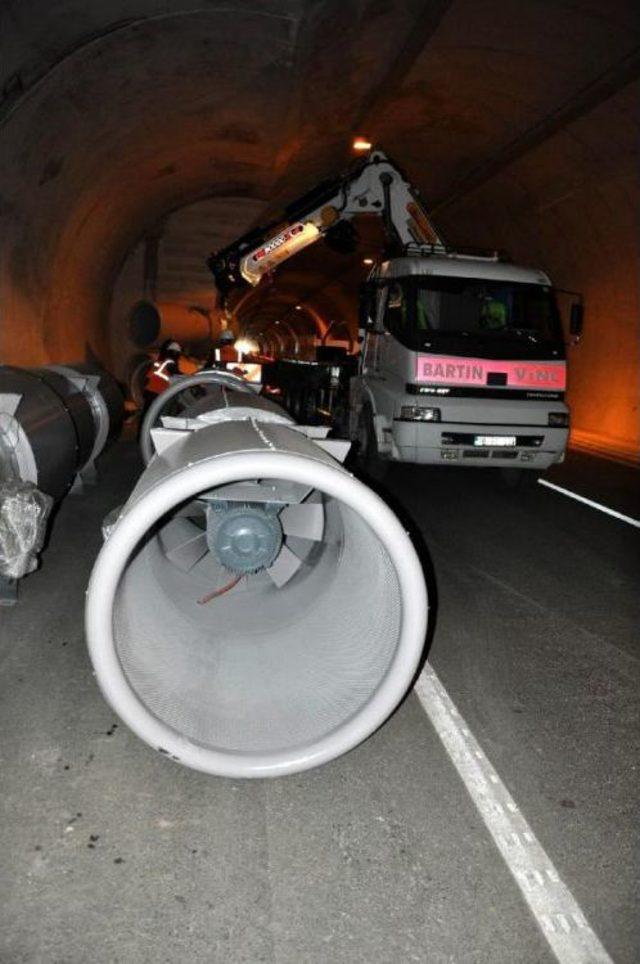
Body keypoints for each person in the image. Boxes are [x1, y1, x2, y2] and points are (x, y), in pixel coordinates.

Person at [142, 339, 182, 410]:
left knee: (147, 412)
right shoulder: (170, 363)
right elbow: (177, 375)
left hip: (149, 392)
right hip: (158, 393)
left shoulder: (158, 363)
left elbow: (147, 377)